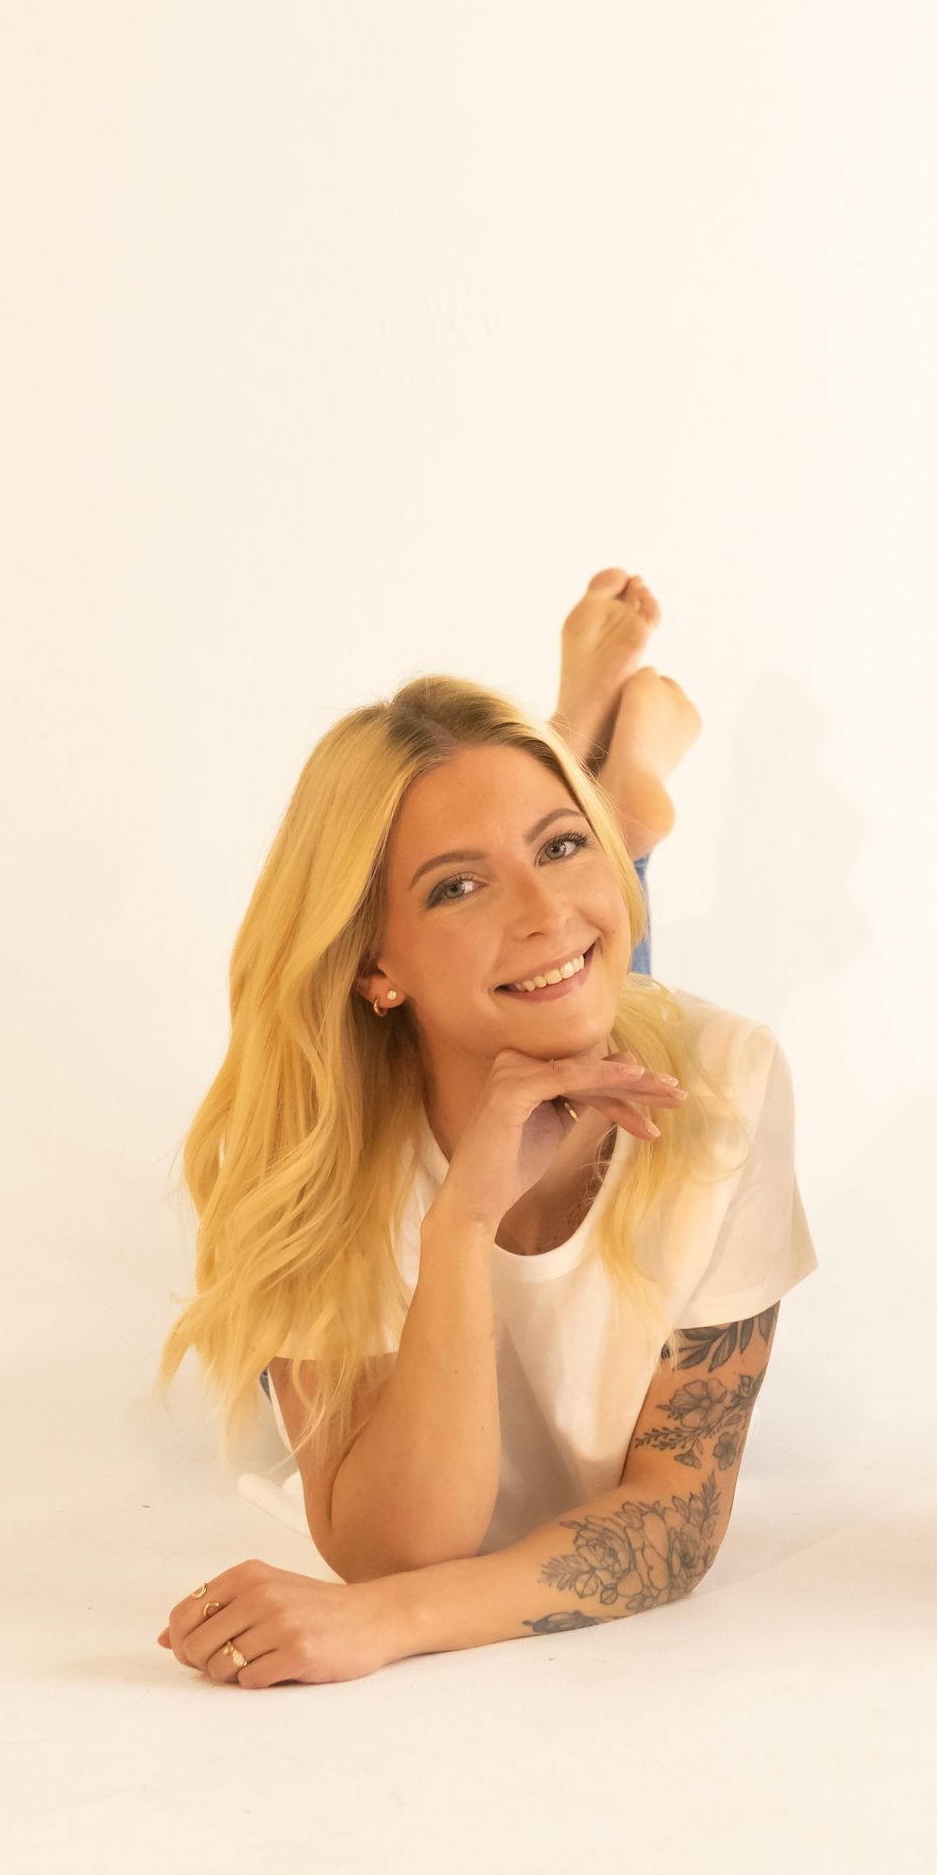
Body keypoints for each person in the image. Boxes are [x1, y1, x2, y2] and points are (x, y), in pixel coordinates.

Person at [155, 570, 815, 1688]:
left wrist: (386, 1624)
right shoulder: (302, 1148)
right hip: (399, 1096)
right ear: (373, 964)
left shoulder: (729, 1076)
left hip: (597, 1026)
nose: (545, 905)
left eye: (562, 845)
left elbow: (674, 1518)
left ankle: (613, 804)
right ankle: (603, 796)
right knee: (563, 976)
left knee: (590, 984)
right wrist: (460, 1224)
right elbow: (398, 1547)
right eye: (456, 886)